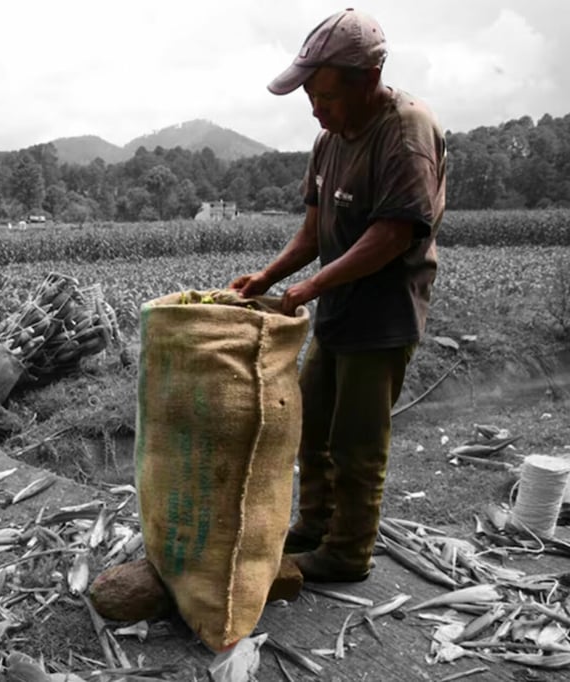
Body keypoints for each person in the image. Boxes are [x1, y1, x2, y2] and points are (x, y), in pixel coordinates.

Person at [230, 8, 447, 582]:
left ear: (367, 80)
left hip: (383, 314)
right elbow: (313, 231)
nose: (314, 109)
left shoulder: (405, 131)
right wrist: (268, 278)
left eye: (324, 95)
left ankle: (348, 553)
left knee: (357, 440)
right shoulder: (329, 140)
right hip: (338, 308)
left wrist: (312, 286)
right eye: (309, 96)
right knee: (313, 419)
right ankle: (315, 524)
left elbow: (392, 234)